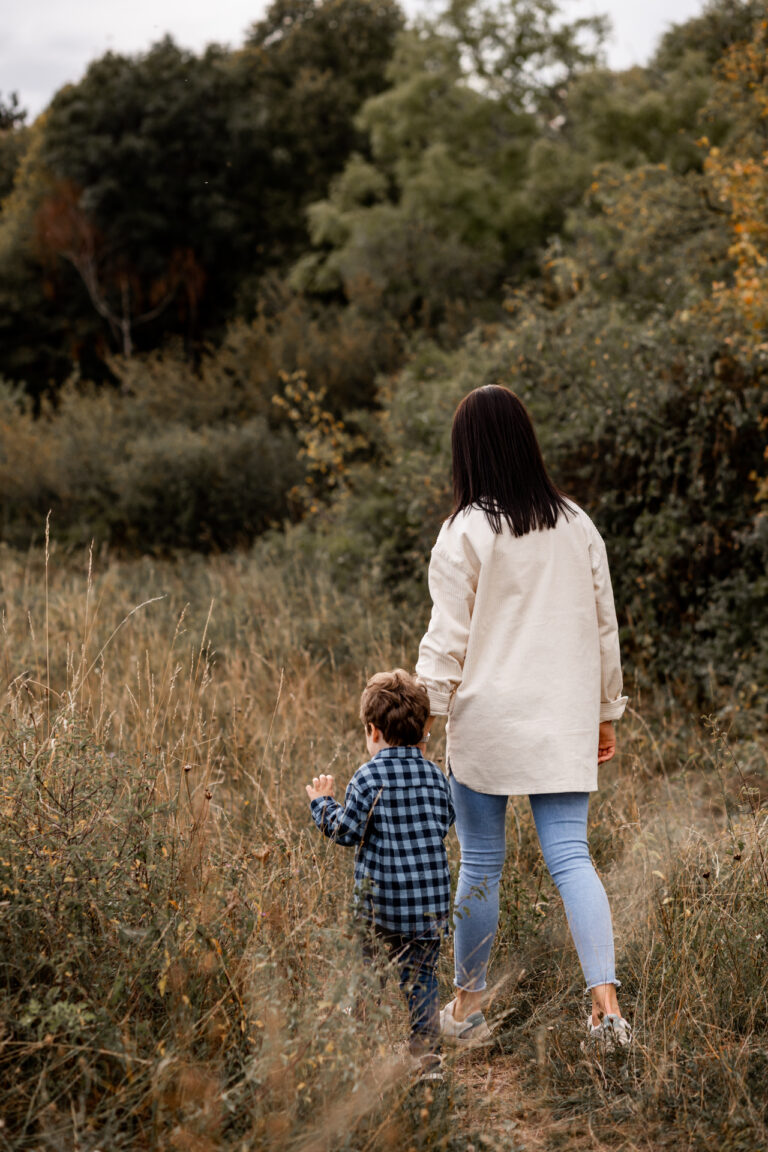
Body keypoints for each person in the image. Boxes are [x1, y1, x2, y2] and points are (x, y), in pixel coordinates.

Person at [415, 385, 632, 1051]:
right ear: (526, 440)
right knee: (572, 857)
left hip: (486, 725)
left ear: (468, 452)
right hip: (562, 717)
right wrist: (604, 711)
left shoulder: (466, 531)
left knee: (480, 862)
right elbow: (604, 629)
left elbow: (446, 640)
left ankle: (467, 1010)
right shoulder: (577, 523)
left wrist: (422, 717)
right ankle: (606, 1011)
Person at [305, 668, 455, 1076]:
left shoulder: (368, 776)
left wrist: (323, 802)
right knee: (422, 977)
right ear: (422, 729)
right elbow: (445, 821)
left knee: (368, 974)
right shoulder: (437, 777)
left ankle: (358, 1054)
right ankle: (429, 1062)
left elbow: (346, 831)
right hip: (428, 906)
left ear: (373, 730)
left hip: (379, 907)